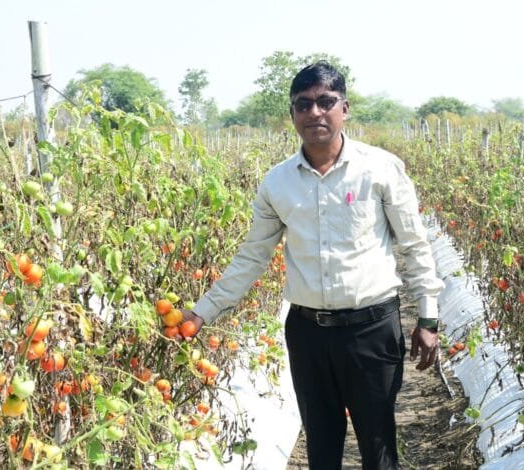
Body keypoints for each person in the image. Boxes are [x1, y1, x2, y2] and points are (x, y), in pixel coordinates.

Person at [180, 61, 444, 469]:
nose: (315, 113)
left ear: (345, 108)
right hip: (307, 332)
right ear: (293, 115)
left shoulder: (380, 169)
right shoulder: (278, 182)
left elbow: (414, 245)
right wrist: (202, 312)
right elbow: (252, 255)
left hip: (371, 330)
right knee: (321, 444)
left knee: (378, 444)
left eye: (325, 102)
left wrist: (428, 319)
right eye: (304, 105)